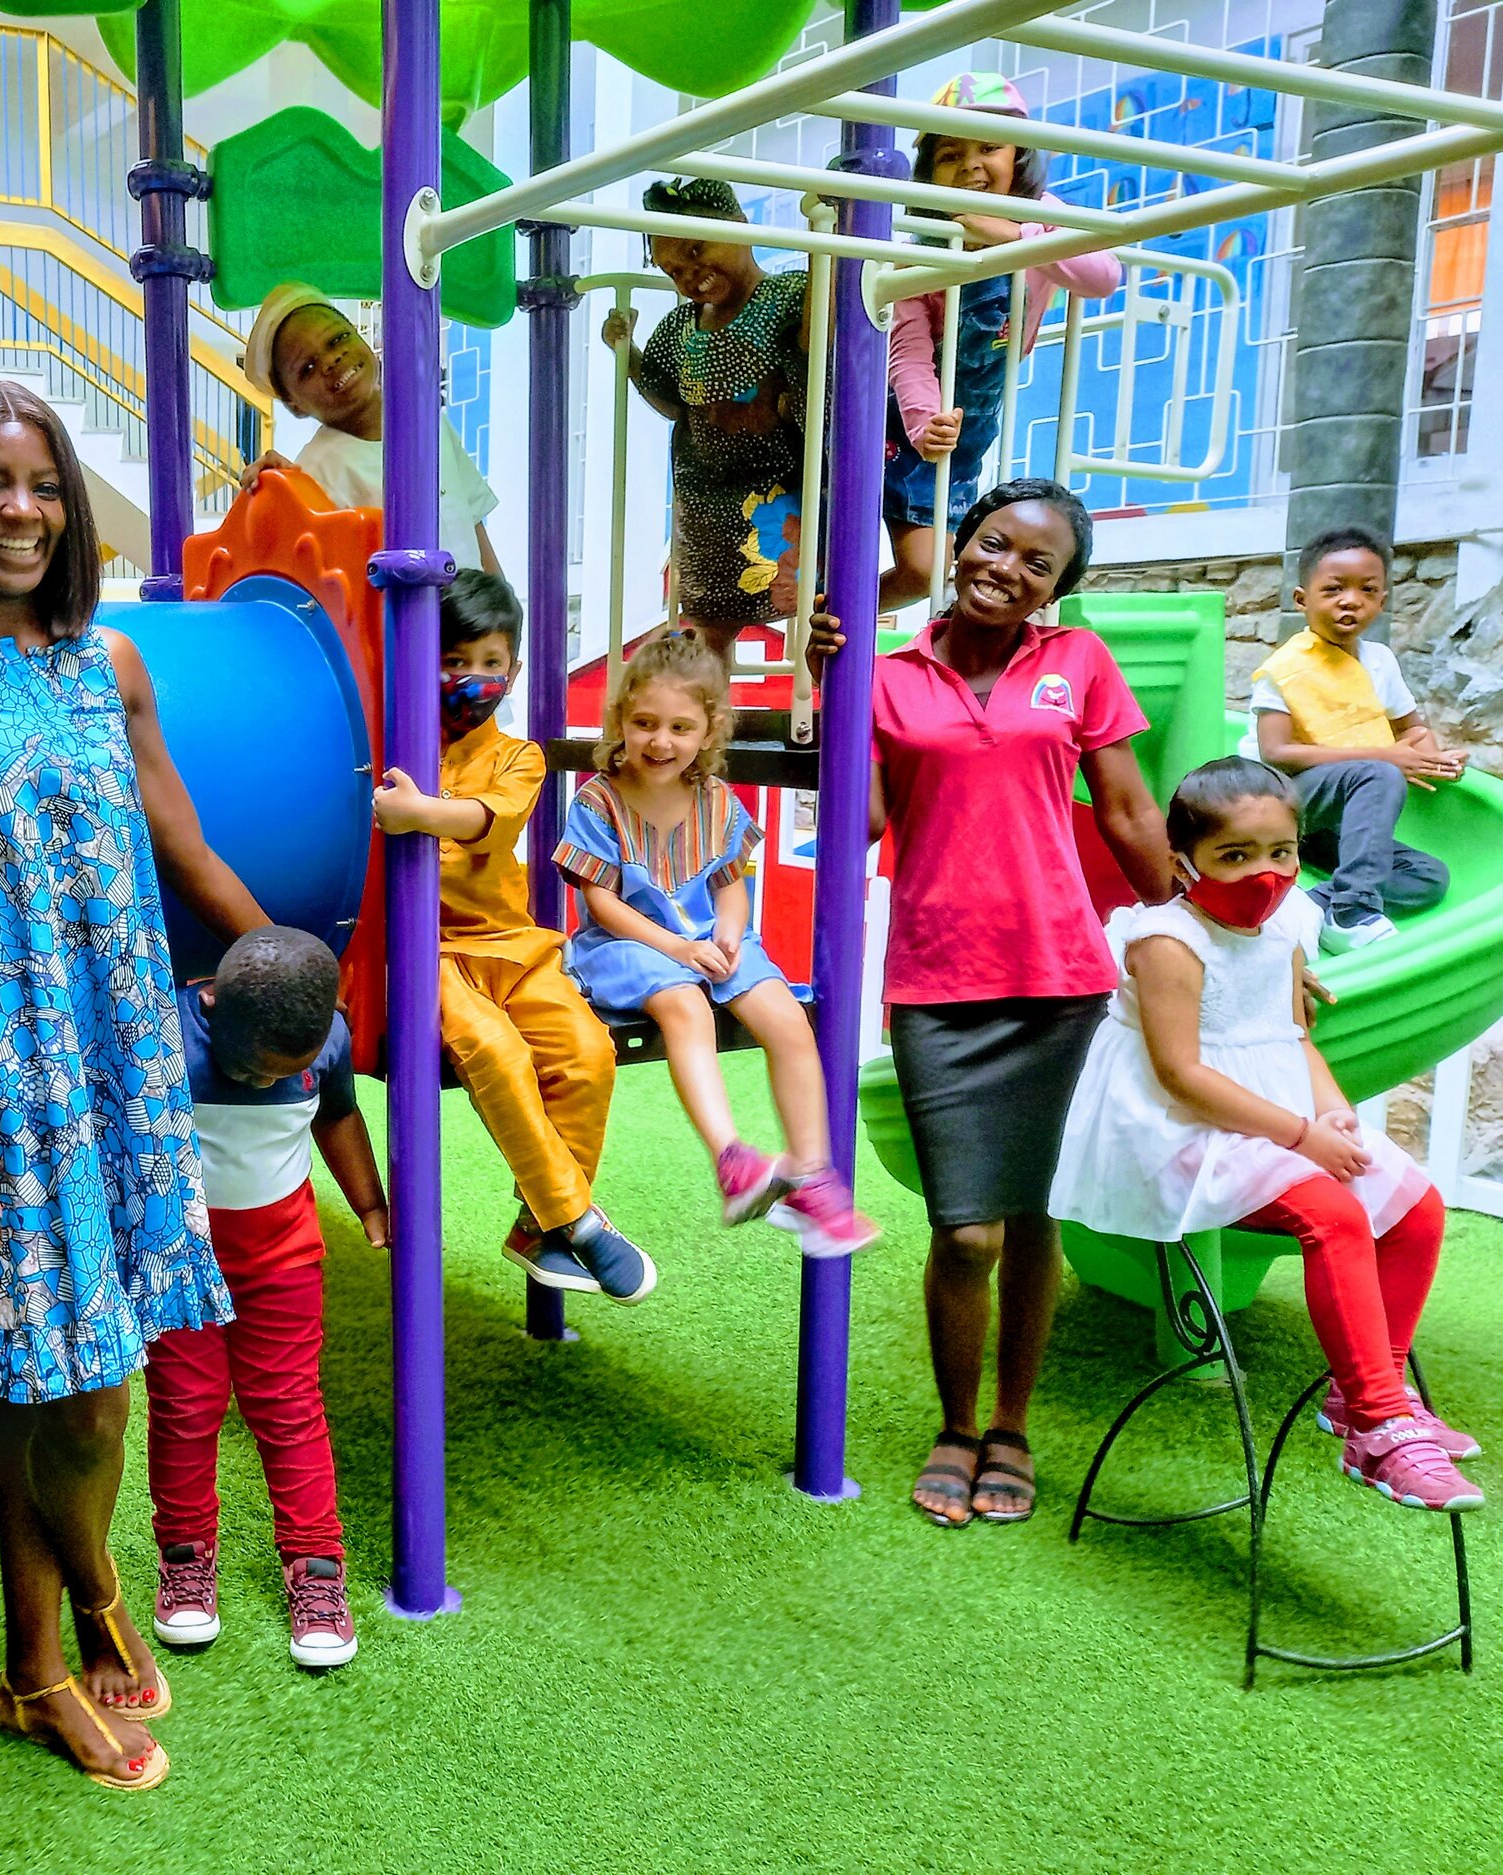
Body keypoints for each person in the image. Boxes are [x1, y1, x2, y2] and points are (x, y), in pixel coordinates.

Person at [0, 378, 266, 1791]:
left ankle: (47, 1649)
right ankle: (75, 1613)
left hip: (117, 1052)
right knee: (74, 1385)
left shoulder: (107, 660)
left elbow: (187, 851)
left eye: (44, 484)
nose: (22, 509)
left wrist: (291, 984)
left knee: (69, 1372)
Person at [870, 478, 1174, 1528]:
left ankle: (1009, 1425)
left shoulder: (1077, 665)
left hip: (1060, 976)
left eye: (1035, 563)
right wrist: (825, 688)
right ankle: (954, 1426)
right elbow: (864, 820)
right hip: (935, 977)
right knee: (966, 1233)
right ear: (960, 543)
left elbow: (1129, 808)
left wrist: (1197, 935)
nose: (1005, 567)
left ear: (1056, 589)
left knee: (1034, 1217)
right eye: (993, 543)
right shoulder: (887, 675)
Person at [1051, 759, 1475, 1510]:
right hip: (1175, 1130)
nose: (1266, 874)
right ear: (1185, 862)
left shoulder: (1288, 927)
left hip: (1270, 1116)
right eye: (1236, 855)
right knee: (1332, 1212)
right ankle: (1379, 1430)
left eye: (1281, 852)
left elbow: (1292, 1034)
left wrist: (1333, 1111)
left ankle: (1370, 1389)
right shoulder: (1167, 941)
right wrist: (1300, 1136)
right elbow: (1181, 1073)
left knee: (1417, 1207)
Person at [555, 631, 877, 1258]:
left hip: (707, 936)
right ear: (621, 721)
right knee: (686, 1005)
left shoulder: (717, 802)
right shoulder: (599, 799)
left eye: (680, 727)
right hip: (628, 942)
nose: (660, 741)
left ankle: (811, 1174)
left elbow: (732, 884)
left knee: (787, 1020)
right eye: (644, 723)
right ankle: (733, 1159)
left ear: (709, 732)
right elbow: (603, 904)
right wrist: (678, 950)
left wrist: (729, 931)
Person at [372, 569, 647, 1299]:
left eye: (490, 664)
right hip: (425, 954)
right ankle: (576, 1223)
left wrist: (416, 813)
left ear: (513, 671)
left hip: (512, 945)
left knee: (588, 1051)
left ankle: (536, 1224)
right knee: (492, 1050)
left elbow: (484, 818)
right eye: (454, 661)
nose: (472, 678)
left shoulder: (519, 756)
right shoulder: (393, 739)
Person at [147, 926, 387, 1671]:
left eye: (285, 1071)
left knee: (288, 1403)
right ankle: (186, 1558)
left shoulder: (328, 1042)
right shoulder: (161, 1034)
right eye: (252, 1069)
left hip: (282, 1258)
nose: (262, 1083)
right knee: (186, 1405)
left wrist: (372, 1204)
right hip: (181, 1261)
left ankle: (316, 1569)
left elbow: (338, 1116)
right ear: (212, 1005)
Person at [876, 74, 1125, 611]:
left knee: (927, 572)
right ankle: (830, 610)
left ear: (1020, 155)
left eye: (989, 146)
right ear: (928, 173)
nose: (971, 164)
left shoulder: (1045, 217)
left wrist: (1014, 239)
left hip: (975, 420)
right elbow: (909, 347)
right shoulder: (923, 246)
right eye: (949, 153)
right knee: (911, 562)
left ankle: (836, 609)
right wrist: (923, 420)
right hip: (908, 417)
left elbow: (1103, 275)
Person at [598, 177, 812, 666]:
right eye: (672, 269)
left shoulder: (788, 295)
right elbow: (672, 402)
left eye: (697, 250)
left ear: (739, 226)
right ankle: (710, 717)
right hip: (703, 493)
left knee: (799, 598)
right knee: (711, 623)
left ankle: (816, 701)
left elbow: (813, 360)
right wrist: (627, 353)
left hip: (778, 486)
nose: (690, 274)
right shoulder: (679, 325)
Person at [1244, 524, 1461, 953]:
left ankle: (1315, 904)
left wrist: (1435, 759)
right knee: (1378, 773)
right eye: (1334, 589)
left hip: (1338, 821)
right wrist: (1388, 757)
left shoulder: (1380, 661)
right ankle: (1350, 911)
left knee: (1427, 879)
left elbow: (1412, 730)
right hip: (1280, 802)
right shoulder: (1285, 669)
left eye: (1367, 590)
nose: (1350, 601)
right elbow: (1277, 752)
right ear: (1302, 600)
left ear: (1382, 601)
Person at [234, 282, 502, 576]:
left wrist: (505, 609)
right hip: (398, 622)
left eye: (338, 339)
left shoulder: (428, 423)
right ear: (294, 403)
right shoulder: (315, 471)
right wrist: (277, 490)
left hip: (479, 615)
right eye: (307, 368)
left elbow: (474, 525)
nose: (331, 360)